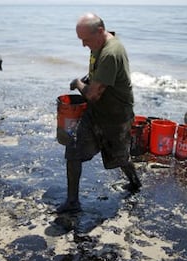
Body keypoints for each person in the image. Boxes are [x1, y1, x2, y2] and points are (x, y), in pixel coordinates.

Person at [59, 12, 141, 213]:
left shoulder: (110, 53)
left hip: (116, 116)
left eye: (85, 40)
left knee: (120, 157)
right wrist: (88, 79)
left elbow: (93, 95)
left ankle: (135, 183)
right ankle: (72, 202)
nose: (83, 45)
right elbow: (97, 75)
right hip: (95, 113)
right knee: (73, 151)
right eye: (81, 40)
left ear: (100, 31)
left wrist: (78, 83)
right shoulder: (99, 44)